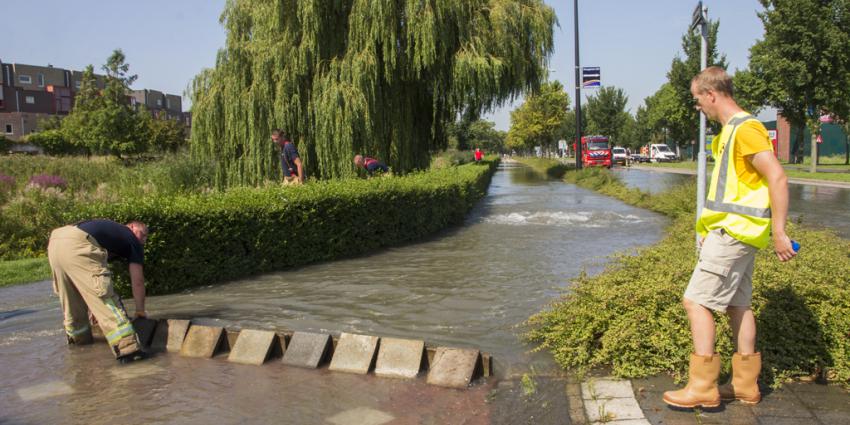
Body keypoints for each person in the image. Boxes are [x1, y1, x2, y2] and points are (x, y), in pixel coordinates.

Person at [663, 67, 796, 408]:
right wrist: (708, 229)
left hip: (734, 233)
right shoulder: (727, 133)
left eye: (698, 100)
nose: (699, 108)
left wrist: (780, 232)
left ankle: (702, 387)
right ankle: (744, 385)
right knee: (738, 306)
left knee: (696, 301)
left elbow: (777, 178)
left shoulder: (746, 129)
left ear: (711, 94)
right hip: (738, 233)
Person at [47, 219, 151, 363]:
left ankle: (79, 346)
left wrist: (93, 309)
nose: (144, 240)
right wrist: (140, 311)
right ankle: (129, 350)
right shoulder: (131, 238)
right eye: (143, 234)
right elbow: (138, 281)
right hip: (78, 241)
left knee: (71, 301)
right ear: (132, 227)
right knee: (106, 299)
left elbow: (86, 285)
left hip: (55, 241)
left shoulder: (107, 232)